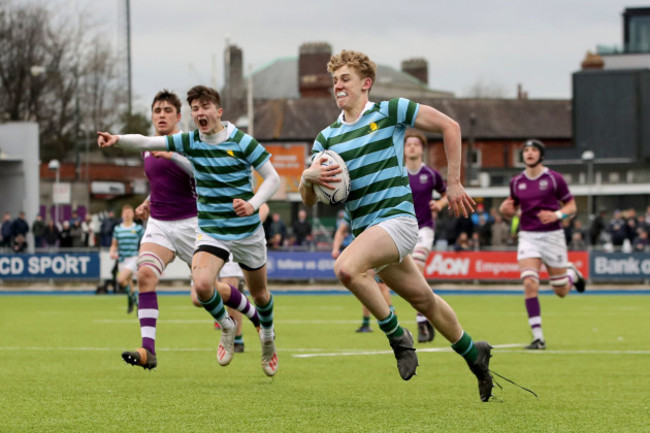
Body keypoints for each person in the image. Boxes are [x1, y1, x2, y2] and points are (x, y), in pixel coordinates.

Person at [299, 49, 493, 402]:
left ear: (365, 84)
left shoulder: (389, 111)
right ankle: (473, 353)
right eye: (334, 81)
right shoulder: (326, 139)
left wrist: (453, 182)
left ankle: (397, 336)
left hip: (399, 223)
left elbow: (451, 126)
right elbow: (310, 198)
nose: (338, 86)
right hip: (370, 233)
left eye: (345, 79)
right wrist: (307, 178)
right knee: (426, 301)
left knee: (345, 268)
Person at [98, 85, 281, 377]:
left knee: (260, 293)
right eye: (196, 108)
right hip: (210, 230)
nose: (200, 113)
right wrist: (116, 139)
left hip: (244, 230)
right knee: (202, 286)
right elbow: (144, 141)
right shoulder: (190, 141)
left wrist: (253, 202)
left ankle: (268, 338)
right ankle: (226, 326)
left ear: (218, 111)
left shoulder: (242, 141)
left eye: (205, 107)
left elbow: (273, 178)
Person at [499, 139, 587, 351]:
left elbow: (572, 206)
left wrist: (556, 214)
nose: (529, 153)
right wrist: (504, 210)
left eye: (534, 150)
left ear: (541, 155)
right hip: (528, 237)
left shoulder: (554, 179)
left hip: (553, 237)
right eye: (526, 150)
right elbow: (510, 208)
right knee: (530, 283)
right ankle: (538, 338)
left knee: (561, 291)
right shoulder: (516, 181)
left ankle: (571, 274)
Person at [332, 208, 394, 333]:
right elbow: (340, 231)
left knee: (379, 286)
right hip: (363, 250)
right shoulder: (350, 209)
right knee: (366, 284)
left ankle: (391, 321)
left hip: (376, 248)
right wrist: (335, 248)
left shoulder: (373, 205)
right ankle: (367, 323)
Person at [110, 204, 144, 313]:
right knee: (128, 283)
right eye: (125, 213)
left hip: (133, 258)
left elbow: (145, 242)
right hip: (121, 260)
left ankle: (135, 301)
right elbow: (114, 244)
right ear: (122, 215)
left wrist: (141, 252)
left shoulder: (137, 228)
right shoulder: (118, 229)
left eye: (129, 213)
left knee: (120, 279)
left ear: (133, 214)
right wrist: (112, 252)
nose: (127, 215)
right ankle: (132, 299)